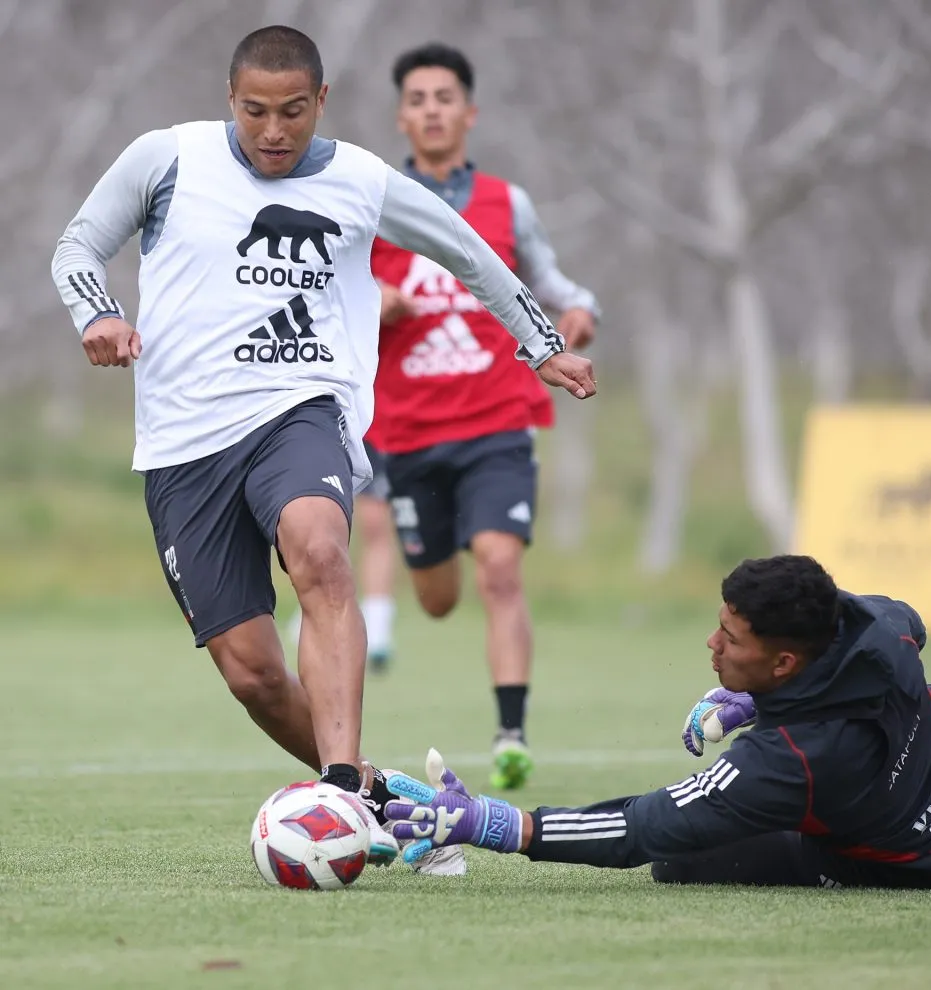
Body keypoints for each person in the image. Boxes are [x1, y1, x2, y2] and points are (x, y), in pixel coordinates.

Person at [50, 25, 595, 876]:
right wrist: (99, 316)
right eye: (256, 112)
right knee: (252, 674)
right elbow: (78, 244)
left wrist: (539, 342)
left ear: (323, 102)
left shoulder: (361, 179)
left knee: (319, 548)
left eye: (293, 113)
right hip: (184, 443)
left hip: (303, 410)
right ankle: (388, 804)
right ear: (230, 99)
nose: (274, 131)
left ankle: (338, 791)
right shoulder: (167, 158)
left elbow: (465, 250)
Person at [383, 555, 931, 890]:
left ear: (786, 660)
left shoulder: (784, 762)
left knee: (681, 858)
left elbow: (641, 828)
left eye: (731, 636)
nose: (711, 644)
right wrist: (759, 699)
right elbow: (911, 617)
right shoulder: (869, 624)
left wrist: (494, 823)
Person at [368, 42, 601, 790]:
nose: (431, 109)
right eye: (417, 98)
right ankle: (430, 565)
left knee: (501, 567)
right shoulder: (368, 201)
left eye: (445, 97)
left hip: (499, 420)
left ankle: (511, 732)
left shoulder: (509, 203)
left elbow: (557, 283)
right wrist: (372, 302)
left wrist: (578, 312)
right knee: (437, 599)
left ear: (469, 112)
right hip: (406, 432)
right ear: (401, 116)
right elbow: (326, 291)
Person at [288, 438, 397, 674]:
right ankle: (311, 609)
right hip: (324, 420)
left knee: (375, 522)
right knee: (321, 521)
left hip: (371, 426)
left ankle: (378, 628)